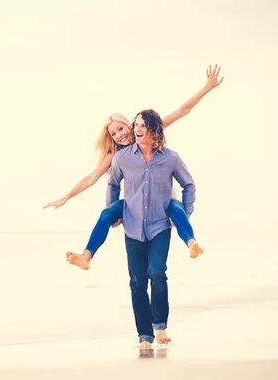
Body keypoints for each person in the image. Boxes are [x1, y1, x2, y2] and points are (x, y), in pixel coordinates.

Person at [44, 65, 222, 270]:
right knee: (106, 214)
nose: (119, 135)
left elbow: (182, 110)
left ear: (130, 124)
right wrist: (66, 197)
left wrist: (206, 87)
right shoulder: (116, 156)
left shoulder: (149, 129)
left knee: (176, 210)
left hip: (162, 199)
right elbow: (91, 178)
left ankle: (192, 244)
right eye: (113, 134)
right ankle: (86, 256)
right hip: (134, 205)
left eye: (120, 128)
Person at [107, 109, 196, 348]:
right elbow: (112, 184)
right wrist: (113, 212)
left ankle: (160, 328)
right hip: (133, 226)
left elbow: (188, 185)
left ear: (155, 129)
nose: (138, 129)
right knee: (137, 282)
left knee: (157, 273)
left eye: (143, 125)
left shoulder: (171, 158)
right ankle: (144, 336)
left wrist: (184, 216)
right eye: (136, 124)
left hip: (159, 226)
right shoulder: (122, 158)